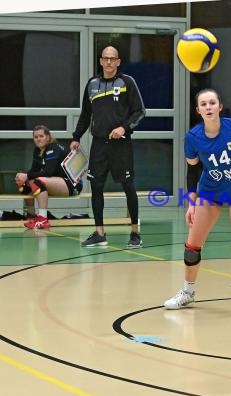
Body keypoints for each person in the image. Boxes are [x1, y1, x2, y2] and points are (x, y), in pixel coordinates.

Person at [163, 88, 231, 317]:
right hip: (209, 192)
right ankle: (188, 293)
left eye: (212, 103)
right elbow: (192, 173)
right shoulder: (193, 137)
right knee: (192, 247)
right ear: (198, 110)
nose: (209, 107)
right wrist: (192, 204)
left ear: (220, 106)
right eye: (204, 104)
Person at [71, 45, 146, 248]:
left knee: (128, 187)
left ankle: (135, 233)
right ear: (101, 61)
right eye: (106, 58)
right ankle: (100, 233)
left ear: (119, 61)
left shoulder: (127, 82)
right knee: (96, 187)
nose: (110, 62)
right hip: (99, 145)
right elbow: (86, 115)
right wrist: (76, 136)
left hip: (121, 145)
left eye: (113, 58)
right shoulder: (92, 84)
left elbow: (139, 111)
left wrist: (124, 128)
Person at [15, 125, 83, 229]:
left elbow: (48, 172)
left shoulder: (53, 147)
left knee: (38, 181)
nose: (38, 139)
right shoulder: (37, 150)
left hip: (73, 185)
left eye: (41, 136)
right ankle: (31, 215)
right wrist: (22, 177)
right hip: (58, 182)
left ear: (48, 137)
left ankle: (43, 218)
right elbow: (34, 171)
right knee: (26, 183)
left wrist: (27, 175)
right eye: (36, 137)